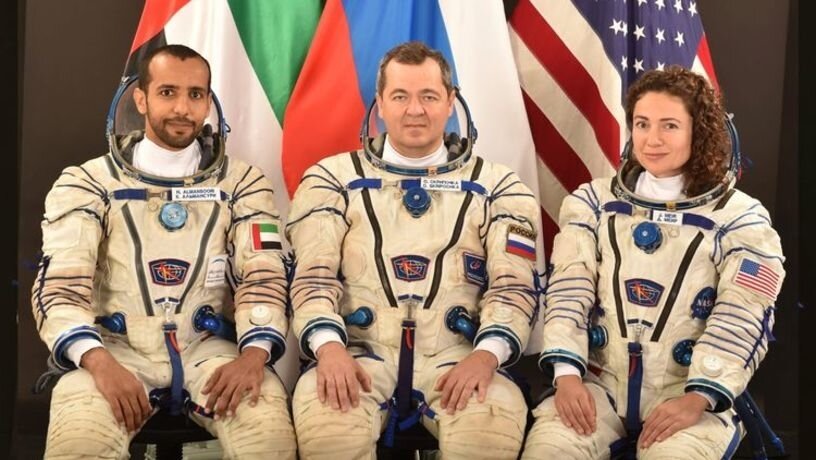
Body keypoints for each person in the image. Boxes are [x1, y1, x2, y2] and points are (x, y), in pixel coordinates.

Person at [31, 44, 296, 459]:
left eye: (195, 94)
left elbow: (264, 275)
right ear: (141, 99)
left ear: (208, 102)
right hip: (113, 349)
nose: (182, 108)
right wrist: (97, 361)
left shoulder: (243, 185)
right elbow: (61, 288)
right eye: (168, 92)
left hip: (209, 349)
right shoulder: (87, 184)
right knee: (79, 446)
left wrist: (253, 355)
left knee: (270, 440)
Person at [285, 41, 540, 459]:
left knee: (487, 436)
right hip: (357, 355)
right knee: (331, 435)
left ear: (451, 101)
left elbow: (513, 287)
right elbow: (313, 276)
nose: (415, 110)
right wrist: (328, 347)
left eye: (429, 96)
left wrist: (487, 355)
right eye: (401, 96)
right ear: (380, 103)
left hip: (460, 357)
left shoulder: (498, 187)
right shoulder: (332, 179)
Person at [522, 65, 785, 459]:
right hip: (596, 387)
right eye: (642, 124)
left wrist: (698, 397)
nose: (652, 139)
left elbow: (743, 315)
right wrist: (567, 375)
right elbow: (567, 292)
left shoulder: (739, 219)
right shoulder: (593, 204)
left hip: (688, 395)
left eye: (670, 126)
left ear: (699, 131)